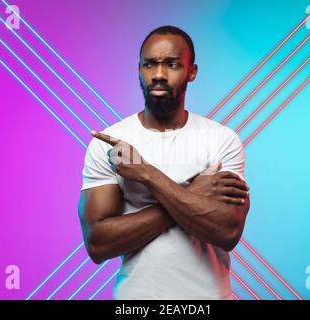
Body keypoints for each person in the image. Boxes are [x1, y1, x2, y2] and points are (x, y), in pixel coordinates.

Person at [78, 25, 250, 300]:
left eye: (171, 64)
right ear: (139, 70)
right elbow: (98, 245)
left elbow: (227, 232)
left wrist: (147, 175)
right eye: (149, 65)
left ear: (191, 72)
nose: (158, 75)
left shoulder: (221, 140)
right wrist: (192, 195)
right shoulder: (109, 142)